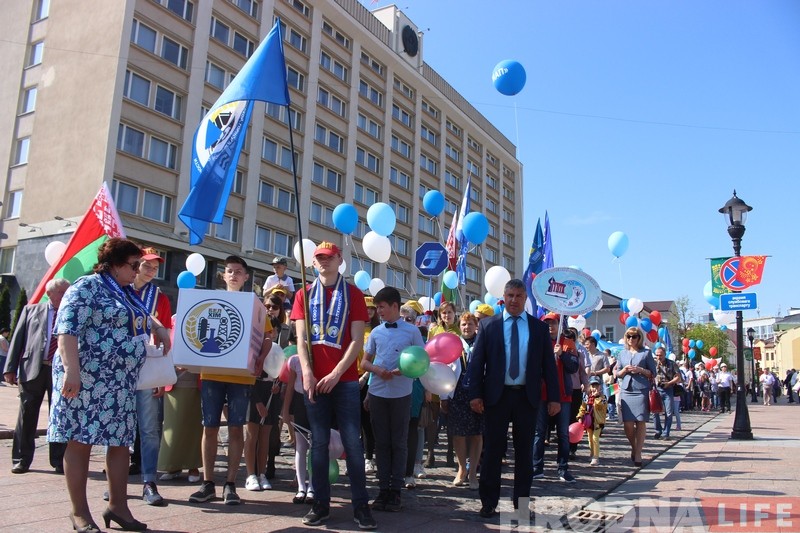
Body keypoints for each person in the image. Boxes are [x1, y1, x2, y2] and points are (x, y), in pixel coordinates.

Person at [49, 238, 172, 532]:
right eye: (133, 265)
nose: (137, 270)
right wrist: (71, 371)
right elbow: (67, 330)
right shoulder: (86, 287)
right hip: (86, 380)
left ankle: (118, 508)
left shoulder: (127, 291)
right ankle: (79, 513)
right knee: (80, 441)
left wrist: (158, 328)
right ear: (114, 264)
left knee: (119, 443)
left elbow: (142, 316)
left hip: (119, 383)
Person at [291, 241, 376, 529]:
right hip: (314, 380)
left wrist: (337, 374)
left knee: (352, 443)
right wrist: (307, 372)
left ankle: (361, 506)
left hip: (346, 381)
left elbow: (357, 341)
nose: (324, 261)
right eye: (319, 258)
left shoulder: (353, 294)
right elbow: (301, 339)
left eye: (329, 257)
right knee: (318, 444)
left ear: (340, 260)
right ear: (313, 262)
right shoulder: (303, 293)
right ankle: (320, 504)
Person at [467, 279, 560, 519]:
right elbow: (476, 364)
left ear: (525, 299)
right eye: (510, 295)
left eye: (519, 296)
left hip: (526, 398)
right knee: (492, 451)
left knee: (524, 453)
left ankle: (522, 505)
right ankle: (489, 503)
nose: (514, 300)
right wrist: (475, 394)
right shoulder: (488, 326)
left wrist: (554, 397)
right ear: (503, 297)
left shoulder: (538, 328)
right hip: (496, 397)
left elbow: (549, 367)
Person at [189, 256, 272, 506]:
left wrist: (260, 359)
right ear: (223, 275)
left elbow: (268, 336)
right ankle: (207, 483)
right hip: (211, 373)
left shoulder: (254, 304)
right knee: (210, 427)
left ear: (246, 277)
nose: (233, 275)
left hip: (241, 377)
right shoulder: (210, 301)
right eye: (229, 271)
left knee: (237, 428)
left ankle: (230, 484)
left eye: (238, 271)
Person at [361, 286, 425, 512]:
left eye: (382, 307)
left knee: (398, 442)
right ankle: (382, 489)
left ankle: (396, 490)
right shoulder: (376, 332)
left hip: (401, 394)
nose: (378, 311)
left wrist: (402, 370)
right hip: (378, 392)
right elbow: (364, 362)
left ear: (395, 306)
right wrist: (377, 371)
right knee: (381, 442)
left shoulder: (412, 332)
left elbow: (422, 361)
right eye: (377, 307)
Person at [4, 278, 70, 475]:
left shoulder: (70, 311)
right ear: (49, 293)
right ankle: (21, 459)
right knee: (27, 415)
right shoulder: (30, 310)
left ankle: (59, 460)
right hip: (33, 368)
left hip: (60, 370)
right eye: (62, 292)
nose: (66, 295)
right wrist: (9, 368)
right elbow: (18, 339)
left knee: (59, 415)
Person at [131, 247, 172, 506]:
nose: (151, 270)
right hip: (119, 368)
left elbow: (164, 333)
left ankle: (149, 481)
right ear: (135, 265)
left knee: (149, 428)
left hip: (147, 367)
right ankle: (115, 482)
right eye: (147, 265)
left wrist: (160, 378)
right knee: (118, 427)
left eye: (155, 267)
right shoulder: (120, 290)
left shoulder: (160, 297)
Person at [532, 313, 580, 483]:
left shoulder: (568, 343)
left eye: (554, 323)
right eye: (547, 323)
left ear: (560, 325)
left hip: (563, 395)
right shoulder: (538, 342)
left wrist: (562, 355)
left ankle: (563, 468)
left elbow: (574, 367)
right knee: (539, 432)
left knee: (563, 433)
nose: (550, 326)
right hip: (542, 393)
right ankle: (537, 468)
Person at [442, 312, 483, 490]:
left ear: (476, 326)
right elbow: (443, 369)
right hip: (457, 392)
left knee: (476, 434)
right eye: (464, 324)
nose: (467, 327)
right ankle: (461, 469)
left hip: (478, 393)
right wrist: (444, 396)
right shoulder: (454, 343)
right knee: (458, 434)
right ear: (459, 327)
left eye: (470, 324)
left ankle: (473, 472)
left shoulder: (482, 343)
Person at [613, 327, 657, 467]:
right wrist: (624, 370)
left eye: (634, 336)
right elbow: (617, 373)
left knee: (640, 421)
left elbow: (653, 373)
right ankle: (634, 446)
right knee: (628, 423)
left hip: (641, 390)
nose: (631, 339)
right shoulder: (622, 353)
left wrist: (640, 370)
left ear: (639, 338)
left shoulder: (646, 353)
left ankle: (638, 453)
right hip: (626, 390)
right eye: (629, 336)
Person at [281, 353, 315, 504]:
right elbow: (290, 387)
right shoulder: (295, 360)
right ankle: (301, 487)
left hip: (317, 400)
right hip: (300, 402)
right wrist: (285, 410)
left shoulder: (319, 355)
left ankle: (312, 486)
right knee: (300, 446)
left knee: (315, 446)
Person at [360, 296, 380, 475]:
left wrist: (366, 376)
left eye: (372, 308)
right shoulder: (355, 327)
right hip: (351, 377)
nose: (368, 311)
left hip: (369, 379)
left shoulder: (377, 330)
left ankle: (368, 457)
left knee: (368, 421)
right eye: (366, 308)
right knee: (353, 421)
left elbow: (376, 357)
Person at [576, 376, 607, 466]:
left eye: (597, 386)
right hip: (589, 422)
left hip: (598, 422)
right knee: (590, 438)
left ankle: (596, 457)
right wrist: (580, 416)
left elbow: (601, 405)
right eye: (593, 386)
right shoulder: (586, 397)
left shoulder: (603, 398)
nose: (594, 388)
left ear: (600, 387)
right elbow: (582, 407)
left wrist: (596, 397)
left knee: (595, 438)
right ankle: (592, 452)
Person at [652, 347, 680, 439]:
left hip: (668, 389)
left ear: (665, 354)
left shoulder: (671, 364)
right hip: (656, 389)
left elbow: (678, 377)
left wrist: (669, 383)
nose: (658, 357)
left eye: (660, 355)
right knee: (655, 411)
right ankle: (658, 430)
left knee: (668, 412)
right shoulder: (653, 363)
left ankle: (666, 432)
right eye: (657, 355)